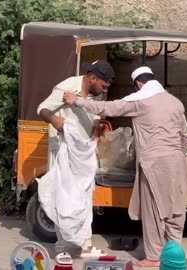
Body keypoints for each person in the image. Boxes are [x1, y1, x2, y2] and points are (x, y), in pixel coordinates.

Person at [62, 66, 187, 267]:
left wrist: (77, 101)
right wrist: (179, 155)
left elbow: (108, 108)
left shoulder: (140, 101)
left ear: (138, 83)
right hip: (177, 162)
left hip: (154, 164)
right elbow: (186, 136)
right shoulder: (175, 102)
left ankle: (154, 257)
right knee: (175, 209)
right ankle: (174, 251)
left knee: (154, 210)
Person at [36, 60, 115, 258]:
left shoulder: (97, 93)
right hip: (64, 150)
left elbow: (96, 114)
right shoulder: (67, 87)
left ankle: (83, 245)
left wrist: (96, 133)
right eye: (103, 86)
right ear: (93, 78)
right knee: (65, 199)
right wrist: (55, 120)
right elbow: (42, 108)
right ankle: (63, 248)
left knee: (84, 198)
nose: (104, 90)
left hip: (84, 153)